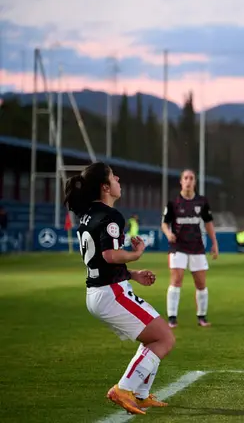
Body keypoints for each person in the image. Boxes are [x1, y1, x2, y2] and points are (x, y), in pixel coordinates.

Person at [64, 162, 175, 415]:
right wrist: (136, 254)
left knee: (153, 336)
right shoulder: (110, 215)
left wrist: (133, 275)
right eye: (114, 177)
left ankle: (140, 394)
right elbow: (110, 255)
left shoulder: (88, 213)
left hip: (100, 290)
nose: (119, 179)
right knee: (165, 338)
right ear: (105, 186)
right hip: (110, 293)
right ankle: (123, 388)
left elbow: (100, 261)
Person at [161, 169, 219, 328]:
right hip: (177, 246)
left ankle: (202, 316)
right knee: (176, 280)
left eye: (191, 178)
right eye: (185, 178)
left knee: (200, 283)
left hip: (197, 247)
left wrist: (214, 242)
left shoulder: (202, 201)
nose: (188, 180)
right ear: (181, 181)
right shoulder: (173, 202)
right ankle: (172, 317)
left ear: (194, 182)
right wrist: (168, 233)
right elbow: (164, 223)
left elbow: (208, 223)